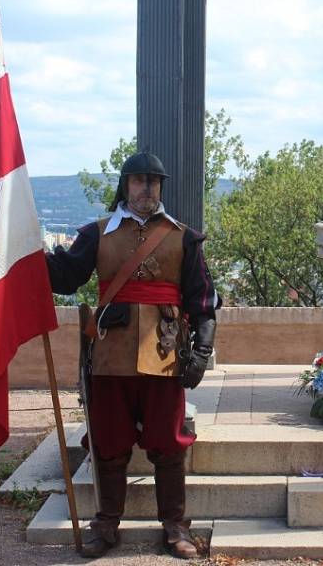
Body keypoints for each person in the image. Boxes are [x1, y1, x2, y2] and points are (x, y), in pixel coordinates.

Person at [45, 152, 219, 559]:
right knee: (108, 441)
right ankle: (106, 524)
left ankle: (175, 525)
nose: (147, 188)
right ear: (125, 185)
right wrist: (26, 256)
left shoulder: (184, 237)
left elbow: (203, 302)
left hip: (166, 354)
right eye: (139, 180)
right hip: (109, 355)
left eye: (154, 181)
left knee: (168, 443)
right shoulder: (97, 233)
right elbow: (68, 278)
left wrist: (201, 352)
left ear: (161, 187)